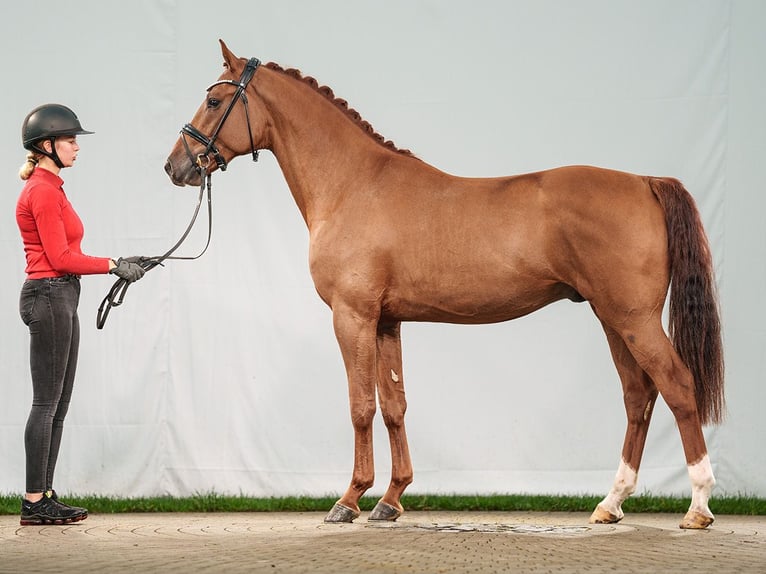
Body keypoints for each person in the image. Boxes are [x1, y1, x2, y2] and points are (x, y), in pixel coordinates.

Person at [16, 103, 145, 526]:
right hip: (50, 295)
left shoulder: (52, 188)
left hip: (61, 297)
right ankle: (35, 500)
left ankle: (44, 494)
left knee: (59, 403)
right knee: (45, 403)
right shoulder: (42, 191)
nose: (76, 147)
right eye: (70, 140)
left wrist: (120, 260)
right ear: (47, 145)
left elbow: (68, 255)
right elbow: (60, 256)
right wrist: (111, 264)